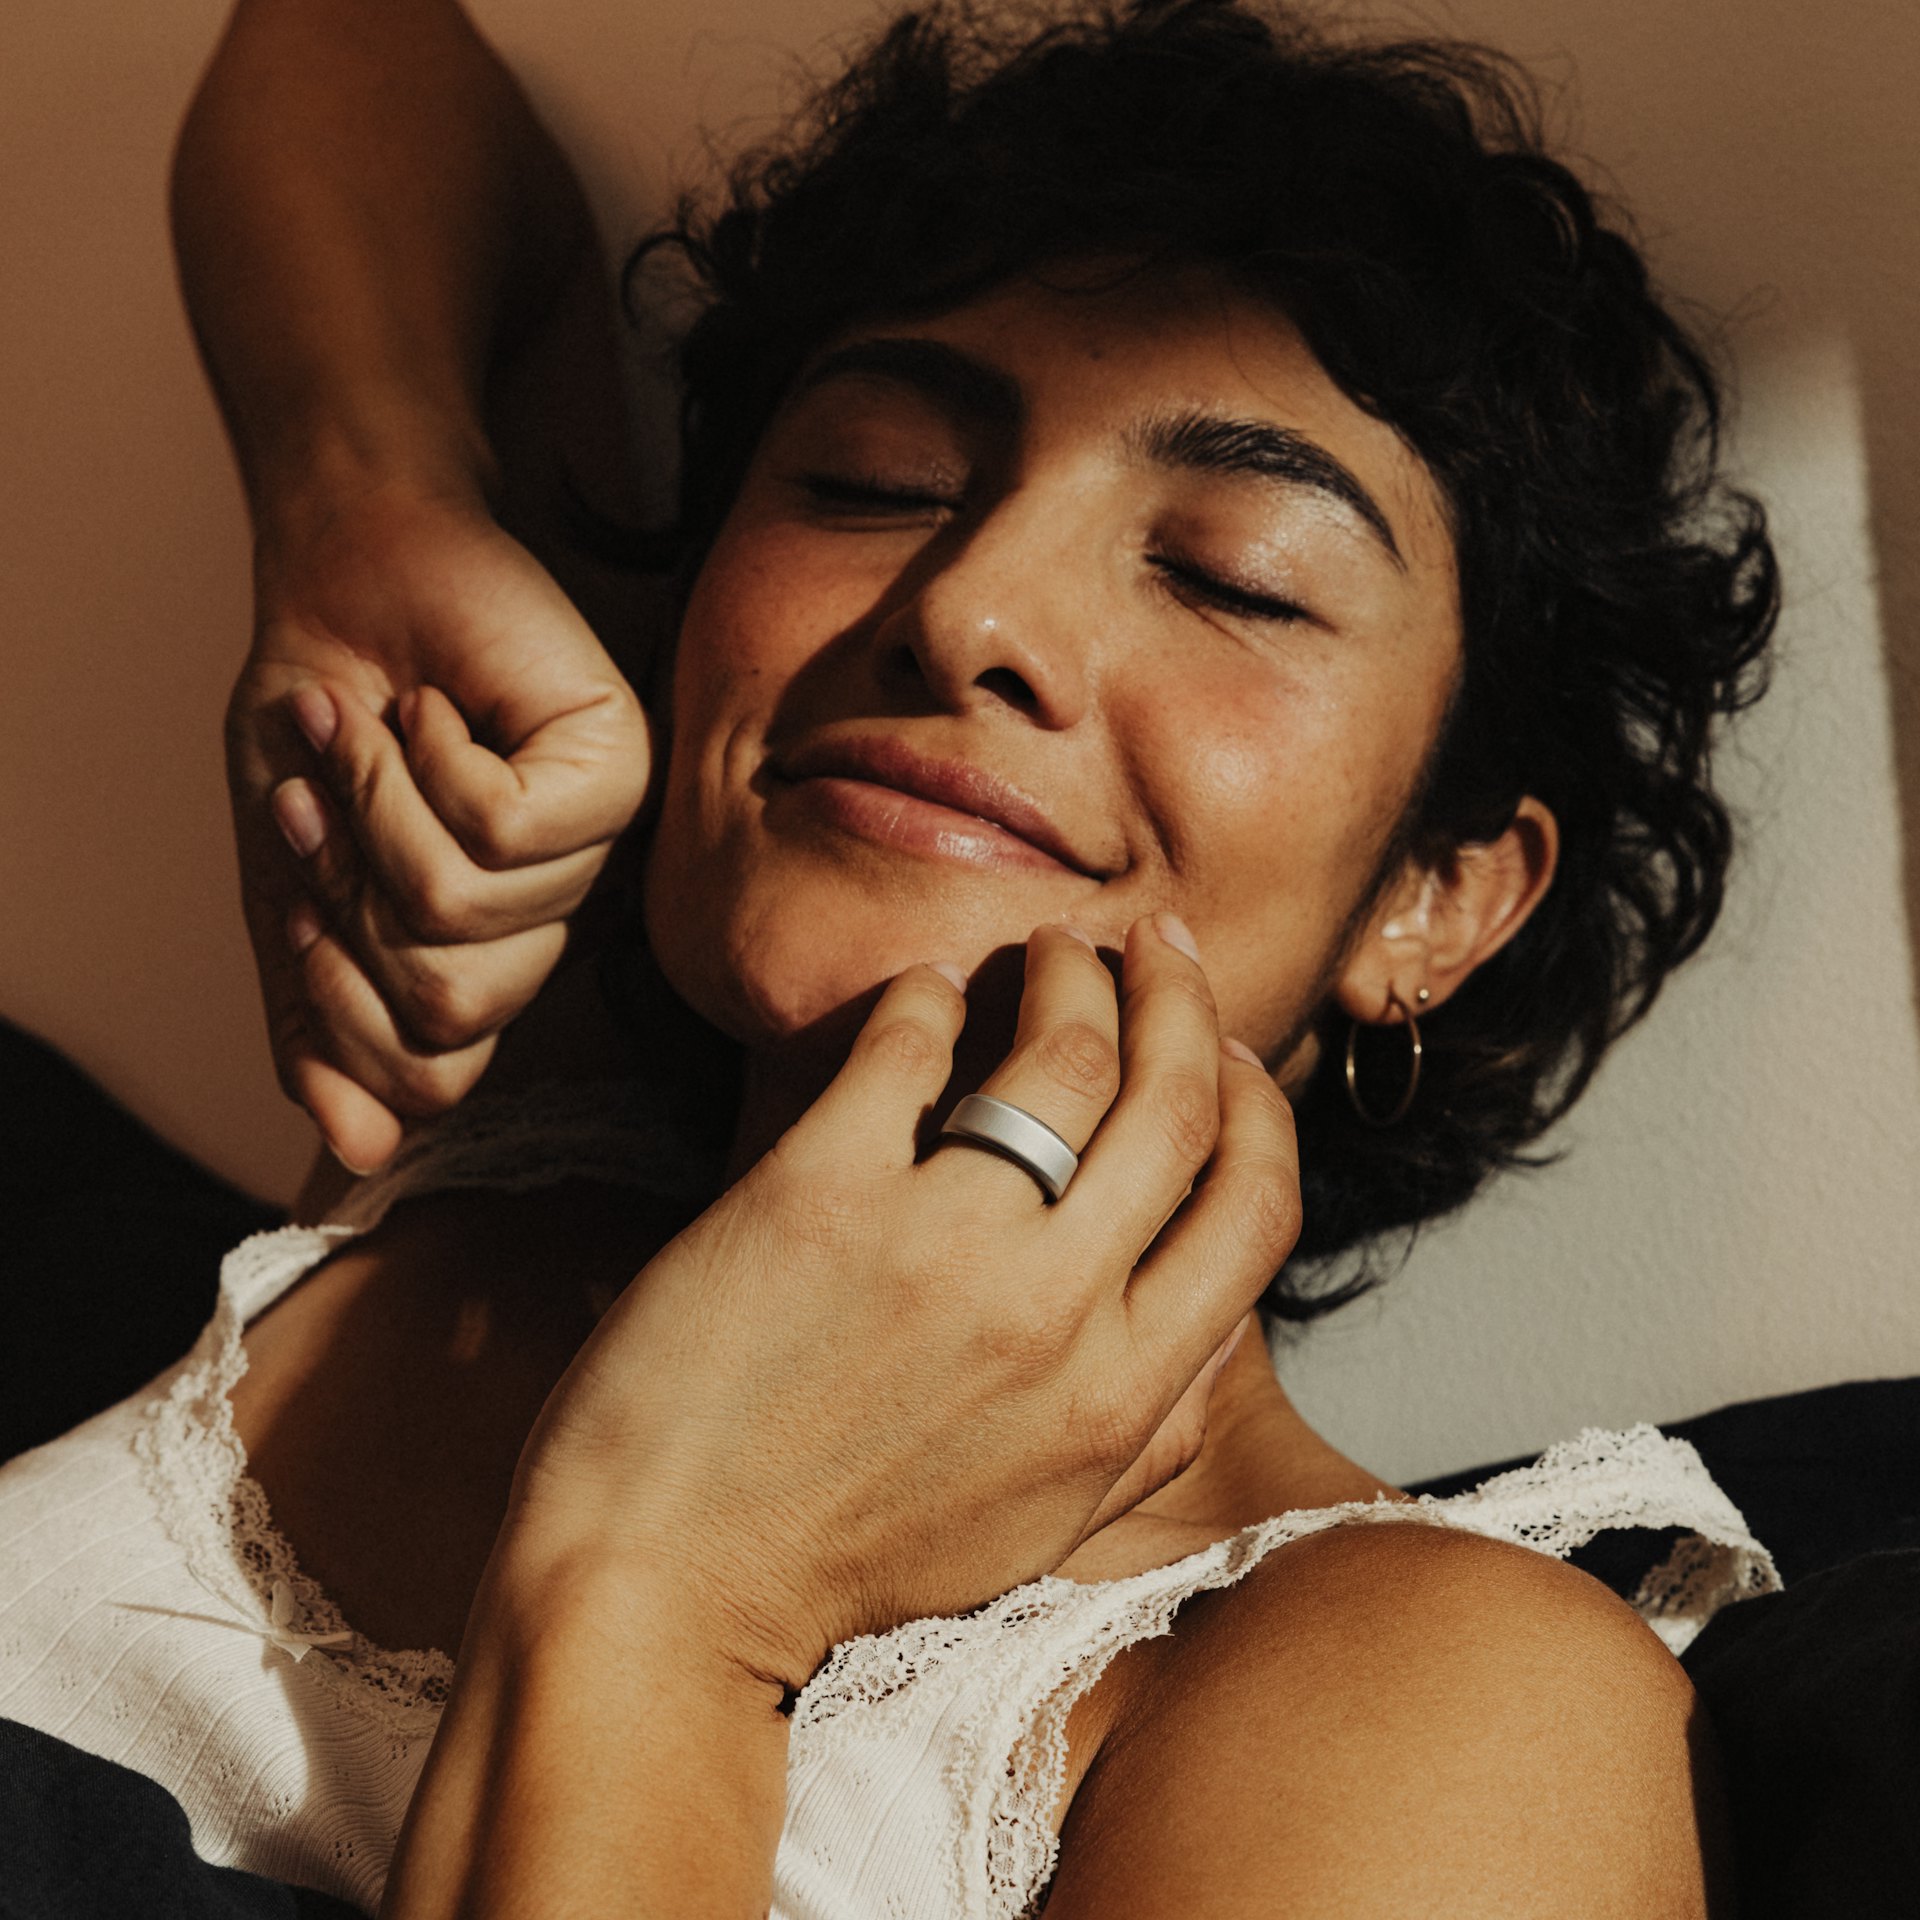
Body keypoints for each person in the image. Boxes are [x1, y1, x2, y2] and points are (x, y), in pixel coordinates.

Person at [0, 0, 1782, 1914]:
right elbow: (348, 52)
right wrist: (369, 507)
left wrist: (678, 1581)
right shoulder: (509, 1085)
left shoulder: (1446, 1697)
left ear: (1441, 895)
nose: (969, 608)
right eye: (873, 478)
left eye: (1231, 575)